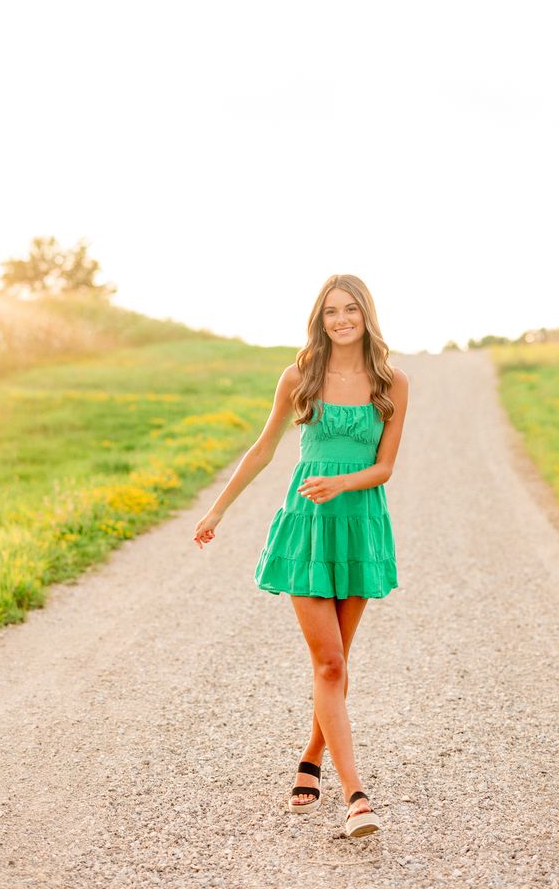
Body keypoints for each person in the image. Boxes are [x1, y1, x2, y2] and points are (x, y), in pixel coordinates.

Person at [193, 274, 408, 839]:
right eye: (331, 311)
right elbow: (264, 448)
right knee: (330, 663)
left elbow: (385, 467)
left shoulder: (391, 382)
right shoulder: (299, 377)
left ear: (366, 315)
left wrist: (344, 484)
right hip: (307, 527)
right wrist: (217, 511)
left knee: (335, 662)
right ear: (320, 318)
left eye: (351, 309)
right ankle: (356, 795)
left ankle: (310, 758)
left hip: (359, 525)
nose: (341, 319)